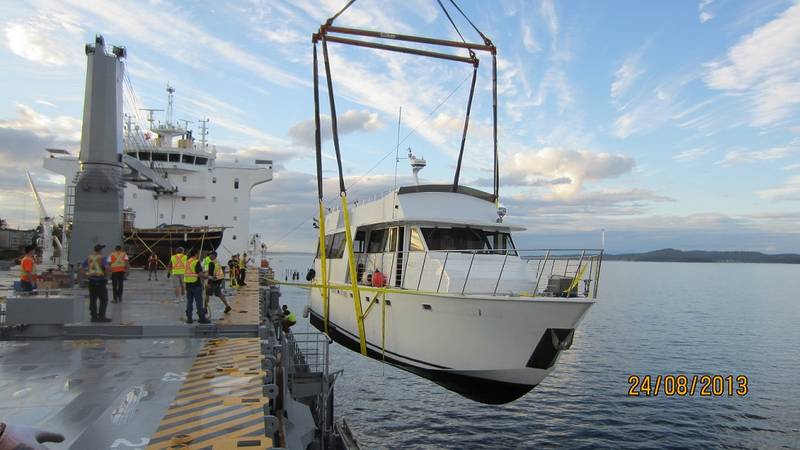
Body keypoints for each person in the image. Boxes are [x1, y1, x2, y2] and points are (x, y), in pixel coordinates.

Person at [80, 244, 111, 322]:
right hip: (100, 281)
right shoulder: (103, 258)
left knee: (93, 300)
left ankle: (93, 317)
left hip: (91, 281)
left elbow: (81, 268)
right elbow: (107, 268)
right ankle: (101, 316)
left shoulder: (89, 258)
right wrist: (107, 278)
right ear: (100, 250)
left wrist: (86, 275)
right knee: (104, 299)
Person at [183, 248, 210, 324]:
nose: (198, 255)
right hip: (196, 284)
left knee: (189, 302)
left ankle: (189, 318)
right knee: (199, 302)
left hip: (188, 284)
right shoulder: (196, 262)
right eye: (198, 254)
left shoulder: (187, 262)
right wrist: (206, 276)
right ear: (196, 254)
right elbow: (199, 274)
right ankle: (202, 318)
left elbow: (190, 271)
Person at [204, 251, 232, 316]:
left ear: (214, 255)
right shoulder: (217, 262)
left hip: (213, 281)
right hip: (218, 280)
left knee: (207, 294)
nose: (209, 256)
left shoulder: (211, 263)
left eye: (211, 255)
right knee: (219, 294)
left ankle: (205, 309)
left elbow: (210, 274)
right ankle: (227, 306)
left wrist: (208, 283)